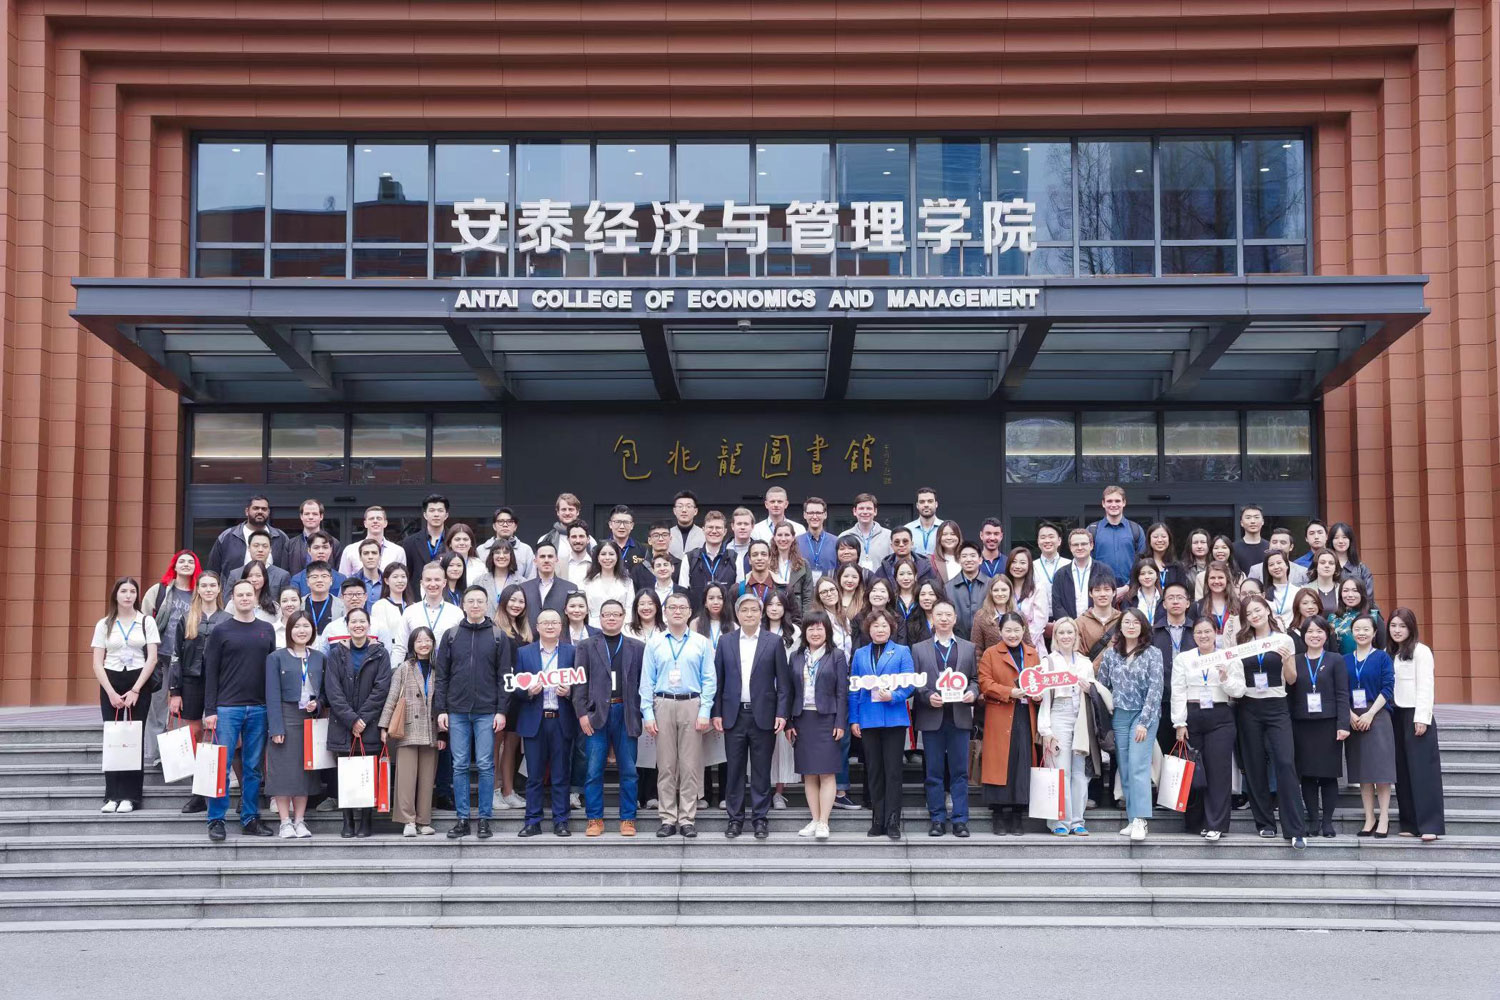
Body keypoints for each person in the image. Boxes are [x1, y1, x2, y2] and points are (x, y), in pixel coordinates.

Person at [202, 578, 278, 841]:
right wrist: (210, 709)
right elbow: (211, 672)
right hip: (227, 708)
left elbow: (272, 671)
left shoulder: (267, 629)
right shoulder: (221, 631)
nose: (245, 598)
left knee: (253, 767)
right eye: (240, 595)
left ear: (256, 598)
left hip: (259, 708)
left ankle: (250, 818)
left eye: (249, 594)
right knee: (221, 766)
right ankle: (216, 819)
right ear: (232, 599)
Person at [434, 585, 511, 840]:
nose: (475, 605)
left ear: (487, 604)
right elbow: (442, 676)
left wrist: (502, 711)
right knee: (459, 765)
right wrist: (441, 709)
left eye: (480, 601)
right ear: (463, 605)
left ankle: (485, 819)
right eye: (471, 601)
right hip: (456, 711)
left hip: (487, 711)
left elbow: (504, 678)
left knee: (486, 765)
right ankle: (463, 818)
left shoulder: (498, 636)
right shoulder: (451, 635)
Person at [713, 593, 793, 840]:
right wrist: (717, 713)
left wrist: (782, 713)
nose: (749, 614)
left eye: (754, 610)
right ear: (737, 614)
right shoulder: (726, 641)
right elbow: (718, 681)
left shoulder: (773, 642)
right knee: (734, 770)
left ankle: (760, 819)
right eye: (744, 610)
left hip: (764, 716)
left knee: (761, 770)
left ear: (761, 613)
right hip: (733, 715)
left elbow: (784, 683)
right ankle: (735, 819)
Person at [1234, 594, 1309, 848]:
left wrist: (1287, 660)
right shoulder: (1242, 642)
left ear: (1267, 610)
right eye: (1248, 613)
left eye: (1258, 610)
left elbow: (1292, 679)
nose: (1254, 616)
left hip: (1277, 706)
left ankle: (1295, 828)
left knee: (1285, 763)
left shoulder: (1283, 639)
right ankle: (1265, 823)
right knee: (1254, 765)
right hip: (1248, 706)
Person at [640, 593, 716, 838]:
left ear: (690, 612)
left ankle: (687, 818)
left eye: (682, 607)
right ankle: (667, 818)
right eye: (672, 607)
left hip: (692, 704)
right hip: (662, 703)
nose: (677, 611)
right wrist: (647, 713)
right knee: (666, 765)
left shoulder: (701, 643)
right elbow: (646, 680)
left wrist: (705, 710)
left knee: (690, 765)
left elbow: (709, 679)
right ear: (664, 612)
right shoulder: (655, 643)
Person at [572, 599, 645, 838]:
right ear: (599, 617)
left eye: (616, 614)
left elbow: (643, 683)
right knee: (593, 770)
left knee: (629, 770)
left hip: (626, 713)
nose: (611, 618)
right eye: (607, 614)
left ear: (624, 617)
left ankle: (628, 819)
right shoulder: (586, 646)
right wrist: (582, 714)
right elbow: (579, 684)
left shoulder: (637, 647)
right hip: (595, 715)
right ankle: (594, 819)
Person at [91, 577, 161, 814]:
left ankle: (131, 796)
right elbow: (97, 663)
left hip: (138, 681)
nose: (128, 595)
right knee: (113, 737)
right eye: (123, 591)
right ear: (116, 595)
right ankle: (112, 795)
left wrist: (136, 690)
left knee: (134, 738)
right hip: (110, 680)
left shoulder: (146, 621)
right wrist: (110, 692)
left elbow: (152, 658)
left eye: (132, 591)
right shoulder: (104, 624)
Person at [1171, 617, 1245, 840]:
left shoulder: (1228, 656)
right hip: (1192, 715)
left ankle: (1216, 824)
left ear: (1216, 633)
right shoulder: (1184, 658)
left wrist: (1224, 678)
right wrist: (1179, 723)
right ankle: (1195, 822)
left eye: (1207, 631)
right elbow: (1178, 690)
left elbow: (1239, 690)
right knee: (1194, 771)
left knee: (1218, 772)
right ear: (1193, 635)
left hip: (1220, 715)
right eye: (1199, 632)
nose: (1203, 636)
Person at [323, 606, 392, 839]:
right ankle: (348, 821)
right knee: (346, 773)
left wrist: (362, 718)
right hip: (343, 724)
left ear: (369, 625)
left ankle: (365, 821)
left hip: (369, 724)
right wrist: (352, 719)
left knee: (367, 773)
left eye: (362, 621)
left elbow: (381, 689)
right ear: (347, 625)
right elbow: (333, 691)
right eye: (353, 622)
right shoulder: (336, 653)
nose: (358, 625)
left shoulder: (381, 653)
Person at [508, 609, 577, 837]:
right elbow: (514, 687)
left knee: (561, 775)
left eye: (554, 622)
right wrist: (528, 691)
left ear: (561, 627)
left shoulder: (572, 652)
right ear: (537, 627)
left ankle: (561, 821)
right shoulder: (524, 653)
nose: (549, 626)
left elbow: (581, 685)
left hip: (561, 720)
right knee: (534, 776)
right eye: (545, 622)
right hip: (534, 721)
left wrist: (570, 692)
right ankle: (532, 821)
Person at [911, 601, 977, 837]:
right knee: (934, 772)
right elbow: (915, 682)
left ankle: (960, 820)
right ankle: (937, 819)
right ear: (933, 618)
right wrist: (927, 696)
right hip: (932, 717)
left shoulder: (968, 647)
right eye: (939, 614)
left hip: (959, 716)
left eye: (948, 614)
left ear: (955, 618)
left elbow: (975, 679)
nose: (944, 619)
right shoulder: (919, 649)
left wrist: (973, 693)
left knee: (960, 772)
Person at [1096, 608, 1163, 842]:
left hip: (1143, 716)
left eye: (1136, 622)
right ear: (1120, 627)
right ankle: (1132, 818)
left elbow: (1156, 689)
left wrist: (1144, 721)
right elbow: (1102, 685)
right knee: (1124, 767)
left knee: (1138, 765)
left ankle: (1141, 819)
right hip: (1119, 716)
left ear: (1143, 626)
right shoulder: (1111, 654)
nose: (1131, 626)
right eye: (1126, 622)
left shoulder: (1153, 653)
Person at [847, 609, 915, 839]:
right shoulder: (860, 654)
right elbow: (854, 689)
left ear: (891, 628)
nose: (880, 629)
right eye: (876, 626)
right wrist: (854, 719)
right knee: (874, 770)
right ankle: (877, 819)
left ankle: (893, 820)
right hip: (868, 718)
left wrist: (894, 696)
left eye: (884, 625)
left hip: (894, 717)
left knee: (893, 771)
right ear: (869, 629)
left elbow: (909, 684)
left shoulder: (902, 651)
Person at [373, 622, 440, 837]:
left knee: (427, 779)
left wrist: (443, 733)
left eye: (427, 640)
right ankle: (408, 821)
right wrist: (384, 726)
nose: (424, 644)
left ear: (433, 643)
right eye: (419, 640)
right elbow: (392, 697)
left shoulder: (439, 669)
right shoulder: (404, 667)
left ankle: (423, 820)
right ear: (412, 644)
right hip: (408, 728)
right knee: (406, 778)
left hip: (431, 729)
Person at [1287, 613, 1351, 838]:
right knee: (1307, 775)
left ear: (1326, 635)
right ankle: (1313, 820)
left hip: (1329, 724)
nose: (1315, 635)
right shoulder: (1295, 660)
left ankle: (1327, 822)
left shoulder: (1335, 659)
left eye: (1319, 631)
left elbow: (1342, 694)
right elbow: (1289, 695)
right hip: (1302, 725)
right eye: (1310, 631)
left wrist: (1343, 724)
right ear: (1304, 635)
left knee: (1328, 775)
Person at [787, 611, 848, 841]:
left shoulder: (837, 656)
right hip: (803, 719)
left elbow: (842, 692)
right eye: (810, 628)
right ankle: (814, 819)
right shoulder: (796, 657)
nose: (815, 632)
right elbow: (789, 692)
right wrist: (789, 722)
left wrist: (840, 721)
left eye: (819, 628)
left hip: (827, 720)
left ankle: (824, 821)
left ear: (827, 631)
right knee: (809, 773)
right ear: (804, 632)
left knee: (827, 772)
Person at [977, 611, 1040, 835]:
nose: (1012, 635)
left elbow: (1040, 681)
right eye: (1008, 630)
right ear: (1000, 631)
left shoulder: (1032, 653)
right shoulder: (991, 653)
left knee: (1022, 761)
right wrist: (1009, 692)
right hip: (1000, 713)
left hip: (1025, 714)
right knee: (1000, 762)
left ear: (1024, 630)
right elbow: (985, 683)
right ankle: (998, 814)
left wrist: (1038, 694)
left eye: (1016, 630)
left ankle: (1017, 815)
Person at [264, 610, 324, 839]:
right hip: (285, 717)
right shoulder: (276, 657)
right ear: (289, 630)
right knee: (283, 772)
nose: (301, 630)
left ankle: (300, 820)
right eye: (297, 626)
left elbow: (326, 692)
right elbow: (271, 694)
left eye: (306, 626)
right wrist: (276, 727)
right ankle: (284, 822)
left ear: (312, 630)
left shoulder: (319, 657)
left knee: (303, 773)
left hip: (308, 720)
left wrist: (318, 704)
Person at [1037, 617, 1099, 837]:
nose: (1066, 636)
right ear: (1055, 636)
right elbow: (1045, 698)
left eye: (1069, 632)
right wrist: (1046, 730)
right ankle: (1058, 820)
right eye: (1061, 632)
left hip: (1080, 717)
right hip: (1059, 714)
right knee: (1060, 770)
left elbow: (1093, 694)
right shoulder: (1048, 662)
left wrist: (1089, 688)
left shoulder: (1085, 662)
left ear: (1076, 636)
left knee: (1080, 772)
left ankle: (1077, 820)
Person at [168, 571, 223, 814]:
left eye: (212, 585)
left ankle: (218, 786)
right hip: (191, 682)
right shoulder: (187, 618)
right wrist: (175, 690)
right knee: (195, 735)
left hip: (221, 684)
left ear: (219, 589)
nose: (208, 589)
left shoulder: (227, 619)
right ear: (197, 589)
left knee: (217, 735)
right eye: (204, 585)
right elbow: (176, 656)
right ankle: (198, 792)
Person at [1387, 608, 1444, 841]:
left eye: (1402, 626)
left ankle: (1430, 825)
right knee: (1402, 771)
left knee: (1423, 771)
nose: (1397, 630)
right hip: (1395, 714)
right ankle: (1410, 823)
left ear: (1411, 628)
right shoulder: (1389, 652)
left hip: (1416, 715)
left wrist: (1422, 717)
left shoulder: (1421, 651)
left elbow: (1426, 686)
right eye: (1393, 626)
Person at [141, 550, 200, 766]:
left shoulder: (199, 592)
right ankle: (155, 754)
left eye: (190, 561)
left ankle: (179, 755)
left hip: (187, 659)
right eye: (181, 561)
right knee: (157, 706)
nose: (186, 564)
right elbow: (144, 620)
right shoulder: (160, 590)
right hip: (161, 657)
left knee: (182, 708)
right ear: (174, 566)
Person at [1343, 613, 1395, 838]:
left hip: (1378, 715)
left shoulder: (1382, 657)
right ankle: (1369, 818)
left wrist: (1370, 714)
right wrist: (1350, 714)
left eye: (1366, 629)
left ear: (1374, 633)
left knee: (1381, 770)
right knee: (1363, 771)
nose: (1361, 633)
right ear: (1351, 633)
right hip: (1353, 717)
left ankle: (1384, 817)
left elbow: (1388, 688)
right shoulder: (1345, 659)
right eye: (1357, 629)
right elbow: (1340, 690)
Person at [490, 583, 533, 812]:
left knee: (512, 746)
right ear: (504, 601)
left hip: (519, 695)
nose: (517, 605)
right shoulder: (494, 628)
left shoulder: (525, 631)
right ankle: (494, 791)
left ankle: (508, 791)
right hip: (500, 694)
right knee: (496, 745)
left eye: (521, 601)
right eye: (513, 600)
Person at [395, 562, 460, 667]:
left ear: (444, 583)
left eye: (437, 580)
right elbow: (400, 647)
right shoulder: (410, 611)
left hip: (447, 669)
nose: (433, 584)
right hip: (415, 670)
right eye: (428, 580)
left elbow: (461, 648)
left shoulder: (456, 613)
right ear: (422, 583)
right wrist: (394, 672)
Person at [206, 495, 288, 577]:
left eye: (264, 509)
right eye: (256, 508)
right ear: (246, 511)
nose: (260, 511)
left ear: (268, 512)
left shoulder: (280, 537)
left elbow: (287, 568)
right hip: (234, 585)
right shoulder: (227, 536)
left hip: (272, 585)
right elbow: (213, 569)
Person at [1087, 485, 1146, 584]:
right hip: (1100, 588)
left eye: (1117, 501)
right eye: (1109, 501)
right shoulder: (1092, 530)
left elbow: (1142, 563)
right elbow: (1085, 562)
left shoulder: (1136, 529)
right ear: (1103, 503)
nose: (1113, 505)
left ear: (1124, 502)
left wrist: (1129, 586)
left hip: (1130, 589)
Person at [680, 510, 737, 607]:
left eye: (718, 528)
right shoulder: (689, 558)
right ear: (703, 530)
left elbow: (738, 594)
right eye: (710, 527)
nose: (714, 531)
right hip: (697, 614)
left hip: (726, 615)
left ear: (725, 531)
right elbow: (683, 595)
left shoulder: (735, 558)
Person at [520, 541, 579, 629]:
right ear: (535, 561)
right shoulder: (523, 588)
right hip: (529, 636)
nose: (546, 560)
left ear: (556, 560)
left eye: (550, 556)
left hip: (560, 636)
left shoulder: (570, 588)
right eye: (542, 556)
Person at [337, 505, 405, 577]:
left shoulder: (398, 551)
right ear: (365, 524)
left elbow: (402, 579)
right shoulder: (350, 550)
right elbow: (343, 579)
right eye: (371, 518)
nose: (375, 521)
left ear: (385, 523)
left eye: (379, 518)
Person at [224, 530, 293, 598]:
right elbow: (227, 600)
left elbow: (286, 600)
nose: (260, 550)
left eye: (265, 546)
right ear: (248, 548)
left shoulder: (282, 576)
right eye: (256, 546)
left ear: (270, 549)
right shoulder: (235, 574)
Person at [582, 540, 634, 626]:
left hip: (620, 627)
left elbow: (629, 609)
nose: (607, 558)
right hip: (594, 627)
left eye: (611, 554)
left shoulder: (627, 582)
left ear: (617, 557)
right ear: (597, 557)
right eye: (603, 554)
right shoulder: (587, 582)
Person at [1050, 527, 1098, 622]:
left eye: (1083, 544)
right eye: (1075, 544)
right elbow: (1057, 605)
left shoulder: (1103, 571)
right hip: (1068, 627)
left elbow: (1108, 600)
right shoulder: (1060, 574)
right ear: (1070, 547)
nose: (1079, 548)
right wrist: (1069, 624)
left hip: (1096, 625)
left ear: (1091, 545)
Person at [285, 498, 342, 577]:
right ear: (301, 516)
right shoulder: (290, 545)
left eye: (315, 514)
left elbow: (338, 572)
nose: (310, 517)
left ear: (321, 516)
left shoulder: (334, 543)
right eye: (307, 514)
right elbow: (285, 573)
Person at [1075, 571, 1122, 666]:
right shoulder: (1080, 623)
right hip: (1089, 673)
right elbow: (1076, 655)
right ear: (1090, 593)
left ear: (1114, 592)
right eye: (1097, 590)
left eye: (1107, 589)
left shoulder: (1123, 620)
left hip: (1119, 672)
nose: (1102, 594)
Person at [477, 507, 536, 581]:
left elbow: (531, 579)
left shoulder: (525, 550)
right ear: (494, 526)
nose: (505, 525)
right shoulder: (481, 550)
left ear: (515, 527)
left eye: (509, 521)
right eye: (500, 521)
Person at [1008, 547, 1050, 652]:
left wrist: (1024, 644)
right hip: (1007, 642)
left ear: (1029, 565)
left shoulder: (1037, 588)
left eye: (1022, 563)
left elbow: (1040, 622)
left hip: (1032, 645)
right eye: (1014, 562)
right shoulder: (1005, 587)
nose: (1017, 566)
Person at [946, 541, 990, 639]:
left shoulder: (991, 585)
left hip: (986, 640)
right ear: (959, 560)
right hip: (958, 640)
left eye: (973, 556)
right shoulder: (948, 587)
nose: (969, 559)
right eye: (964, 556)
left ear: (980, 560)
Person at [1330, 576, 1384, 654]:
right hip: (1339, 661)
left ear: (1362, 593)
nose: (1350, 595)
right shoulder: (1333, 618)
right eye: (1345, 590)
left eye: (1355, 590)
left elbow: (1383, 647)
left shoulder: (1373, 616)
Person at [402, 493, 452, 577]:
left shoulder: (455, 539)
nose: (436, 514)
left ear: (446, 515)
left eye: (440, 510)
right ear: (425, 515)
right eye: (432, 510)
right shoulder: (410, 542)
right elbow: (407, 574)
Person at [839, 493, 891, 573]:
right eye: (861, 508)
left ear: (875, 511)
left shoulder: (888, 536)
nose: (865, 512)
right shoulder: (844, 536)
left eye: (869, 508)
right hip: (853, 580)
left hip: (881, 581)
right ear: (854, 511)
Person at [770, 522, 814, 616]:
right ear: (774, 537)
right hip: (773, 613)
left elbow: (808, 597)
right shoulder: (767, 564)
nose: (783, 539)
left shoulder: (803, 564)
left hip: (796, 615)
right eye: (779, 535)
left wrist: (806, 620)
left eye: (787, 535)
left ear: (793, 537)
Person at [969, 574, 1018, 657]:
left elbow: (1028, 645)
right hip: (991, 663)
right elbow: (977, 650)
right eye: (996, 590)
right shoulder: (981, 616)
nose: (1000, 593)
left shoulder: (1019, 615)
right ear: (990, 592)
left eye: (1004, 590)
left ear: (1010, 591)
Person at [793, 496, 840, 581]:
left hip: (829, 588)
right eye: (811, 513)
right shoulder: (796, 542)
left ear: (825, 515)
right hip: (804, 588)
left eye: (818, 513)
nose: (814, 516)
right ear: (805, 515)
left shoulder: (836, 542)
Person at [1330, 522, 1377, 606]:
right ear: (1331, 541)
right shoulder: (1325, 567)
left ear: (1350, 540)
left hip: (1358, 612)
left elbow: (1368, 598)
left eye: (1344, 537)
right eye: (1336, 538)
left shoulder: (1362, 569)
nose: (1340, 541)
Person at [1195, 560, 1241, 641]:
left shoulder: (1238, 604)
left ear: (1227, 579)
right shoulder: (1197, 606)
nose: (1216, 581)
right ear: (1207, 581)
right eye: (1212, 578)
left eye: (1220, 577)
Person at [368, 563, 410, 649]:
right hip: (390, 652)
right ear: (386, 581)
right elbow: (382, 636)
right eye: (395, 577)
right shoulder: (380, 606)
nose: (400, 580)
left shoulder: (413, 606)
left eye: (403, 576)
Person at [290, 532, 346, 597]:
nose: (321, 551)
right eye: (316, 548)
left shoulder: (341, 579)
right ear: (309, 550)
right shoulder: (297, 579)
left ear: (330, 550)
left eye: (325, 547)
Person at [630, 522, 679, 594]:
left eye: (665, 535)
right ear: (649, 540)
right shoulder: (638, 569)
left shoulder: (679, 565)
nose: (661, 539)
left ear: (670, 539)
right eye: (656, 536)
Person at [476, 540, 523, 615]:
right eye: (497, 552)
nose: (501, 556)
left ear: (511, 556)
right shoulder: (479, 582)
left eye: (505, 552)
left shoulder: (522, 582)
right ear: (492, 556)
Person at [1121, 557, 1166, 627]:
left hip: (1160, 633)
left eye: (1150, 573)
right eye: (1142, 574)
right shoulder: (1129, 598)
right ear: (1137, 577)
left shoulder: (1164, 597)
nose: (1147, 577)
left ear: (1157, 575)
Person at [1261, 550, 1300, 629]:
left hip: (1293, 632)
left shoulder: (1297, 591)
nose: (1276, 567)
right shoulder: (1263, 593)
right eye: (1271, 565)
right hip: (1271, 633)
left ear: (1287, 565)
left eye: (1279, 563)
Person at [1141, 522, 1183, 592]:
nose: (1160, 540)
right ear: (1149, 540)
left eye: (1163, 537)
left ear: (1169, 539)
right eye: (1155, 537)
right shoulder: (1141, 562)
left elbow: (1182, 591)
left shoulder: (1177, 566)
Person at [603, 505, 644, 575]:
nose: (622, 526)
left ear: (632, 526)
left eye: (626, 522)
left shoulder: (642, 550)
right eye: (617, 522)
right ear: (610, 524)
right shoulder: (599, 549)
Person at [667, 490, 705, 560]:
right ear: (674, 511)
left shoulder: (704, 534)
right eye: (680, 506)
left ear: (695, 511)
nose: (684, 510)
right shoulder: (666, 535)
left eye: (688, 506)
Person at [1182, 528, 1212, 601]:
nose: (1199, 546)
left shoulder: (1216, 566)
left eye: (1203, 542)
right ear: (1190, 545)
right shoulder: (1182, 568)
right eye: (1195, 543)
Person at [725, 508, 756, 580]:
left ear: (752, 526)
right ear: (732, 526)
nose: (742, 527)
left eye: (746, 524)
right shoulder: (724, 549)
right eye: (739, 524)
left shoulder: (759, 550)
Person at [561, 522, 595, 587]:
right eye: (574, 537)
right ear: (568, 540)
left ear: (588, 539)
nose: (578, 541)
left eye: (581, 536)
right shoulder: (559, 565)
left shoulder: (596, 565)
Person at [930, 520, 964, 584]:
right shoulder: (930, 560)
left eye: (953, 534)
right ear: (939, 537)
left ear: (959, 537)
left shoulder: (967, 558)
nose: (949, 538)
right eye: (944, 534)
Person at [1309, 548, 1341, 613]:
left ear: (1336, 568)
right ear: (1316, 566)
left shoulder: (1342, 589)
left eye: (1331, 563)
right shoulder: (1306, 589)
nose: (1327, 566)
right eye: (1322, 563)